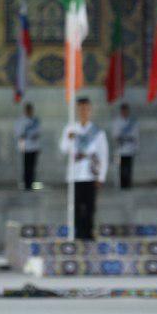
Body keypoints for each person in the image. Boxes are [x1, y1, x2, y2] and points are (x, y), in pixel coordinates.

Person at [58, 97, 108, 240]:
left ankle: (89, 233)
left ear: (90, 110)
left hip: (91, 174)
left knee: (90, 207)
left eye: (86, 108)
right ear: (77, 110)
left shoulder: (97, 132)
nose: (83, 111)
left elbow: (103, 155)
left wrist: (101, 177)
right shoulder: (70, 128)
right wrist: (69, 138)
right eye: (81, 109)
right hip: (75, 174)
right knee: (76, 207)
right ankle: (77, 234)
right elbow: (63, 149)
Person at [111, 102, 139, 189]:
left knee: (129, 168)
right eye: (123, 111)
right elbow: (115, 135)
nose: (125, 112)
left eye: (126, 110)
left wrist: (136, 147)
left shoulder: (133, 122)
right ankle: (121, 185)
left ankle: (128, 184)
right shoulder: (117, 122)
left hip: (130, 150)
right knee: (120, 168)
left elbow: (136, 136)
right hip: (119, 150)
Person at [14, 102, 42, 190]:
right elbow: (19, 134)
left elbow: (39, 132)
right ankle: (25, 184)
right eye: (28, 110)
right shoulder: (21, 120)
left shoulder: (36, 120)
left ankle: (31, 183)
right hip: (25, 147)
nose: (30, 112)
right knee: (26, 166)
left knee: (32, 167)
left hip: (34, 147)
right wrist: (28, 135)